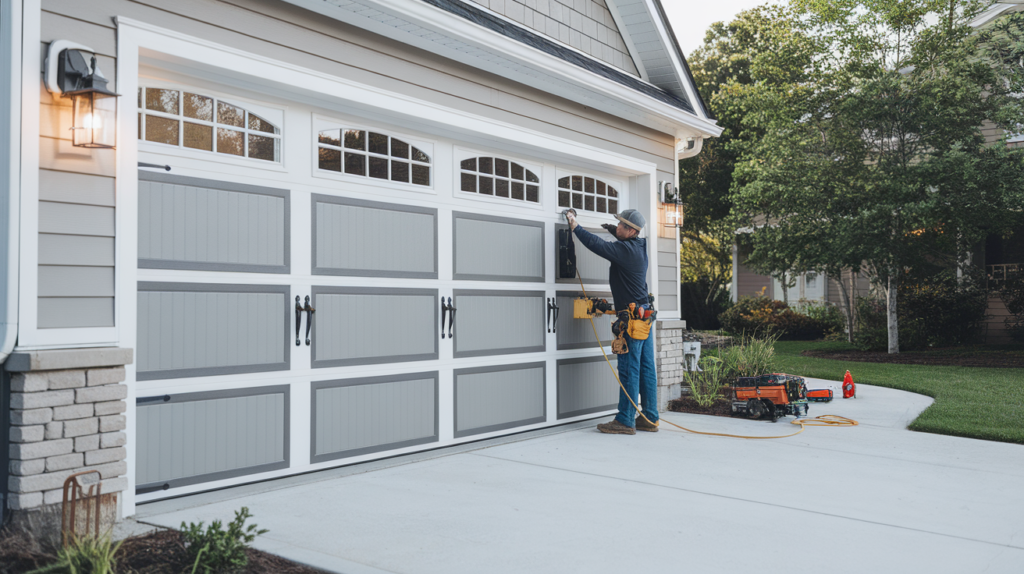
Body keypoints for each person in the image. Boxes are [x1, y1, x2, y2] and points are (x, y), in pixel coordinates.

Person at [565, 208, 658, 435]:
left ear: (631, 230)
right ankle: (650, 417)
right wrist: (616, 233)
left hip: (632, 321)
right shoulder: (640, 246)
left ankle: (625, 420)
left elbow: (599, 246)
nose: (616, 227)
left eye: (620, 226)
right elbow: (622, 243)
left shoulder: (625, 250)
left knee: (628, 369)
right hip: (645, 316)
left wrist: (575, 226)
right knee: (646, 369)